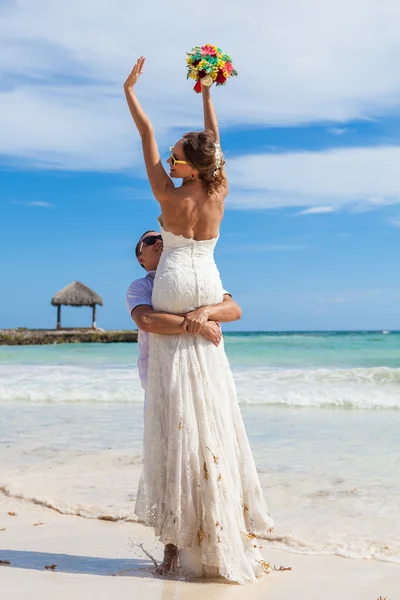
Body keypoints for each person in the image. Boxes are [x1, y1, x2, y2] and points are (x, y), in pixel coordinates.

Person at [124, 57, 274, 585]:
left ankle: (180, 539)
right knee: (212, 403)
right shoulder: (216, 189)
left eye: (175, 156)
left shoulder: (166, 194)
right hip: (208, 282)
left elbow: (145, 133)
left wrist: (131, 93)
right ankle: (218, 525)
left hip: (171, 287)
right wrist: (207, 92)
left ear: (187, 166)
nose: (169, 159)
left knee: (175, 410)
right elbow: (213, 139)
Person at [126, 229, 242, 392]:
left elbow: (234, 310)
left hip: (205, 366)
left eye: (162, 237)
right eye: (150, 241)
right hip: (164, 372)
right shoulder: (141, 286)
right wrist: (198, 326)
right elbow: (145, 320)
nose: (159, 241)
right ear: (141, 259)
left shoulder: (192, 278)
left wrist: (205, 313)